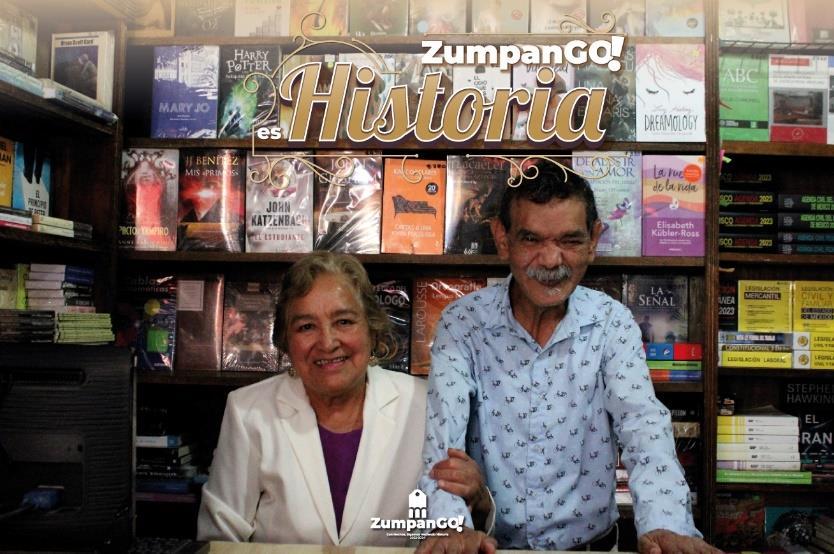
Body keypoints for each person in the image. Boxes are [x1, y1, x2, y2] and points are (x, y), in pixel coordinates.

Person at [417, 163, 720, 553]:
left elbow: (643, 427)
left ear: (593, 240)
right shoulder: (463, 323)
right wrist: (449, 528)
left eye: (570, 240)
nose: (550, 260)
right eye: (531, 239)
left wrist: (667, 525)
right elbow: (443, 448)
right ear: (502, 238)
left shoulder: (611, 323)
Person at [197, 251, 488, 544]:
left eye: (344, 322)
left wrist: (476, 499)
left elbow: (451, 531)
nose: (327, 342)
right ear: (285, 341)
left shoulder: (425, 405)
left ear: (371, 328)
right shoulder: (248, 411)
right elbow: (219, 539)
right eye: (306, 326)